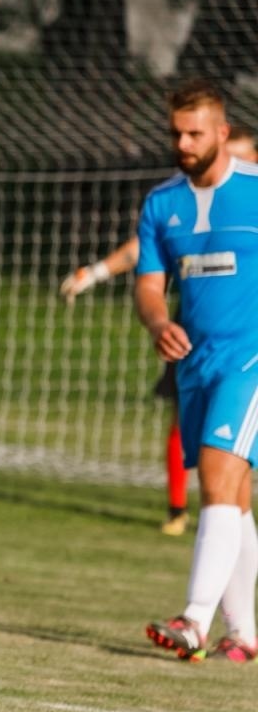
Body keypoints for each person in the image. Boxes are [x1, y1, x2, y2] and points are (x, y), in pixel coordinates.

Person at [58, 126, 257, 537]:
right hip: (198, 338)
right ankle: (177, 508)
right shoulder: (185, 206)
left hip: (248, 349)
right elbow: (143, 250)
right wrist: (95, 272)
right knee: (216, 472)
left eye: (242, 160)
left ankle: (201, 604)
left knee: (229, 475)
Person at [136, 80, 258, 664]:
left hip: (251, 361)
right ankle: (246, 631)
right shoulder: (162, 204)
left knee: (215, 475)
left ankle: (195, 621)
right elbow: (149, 286)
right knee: (232, 497)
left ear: (223, 132)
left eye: (195, 133)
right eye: (176, 133)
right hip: (195, 365)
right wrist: (159, 323)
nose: (183, 143)